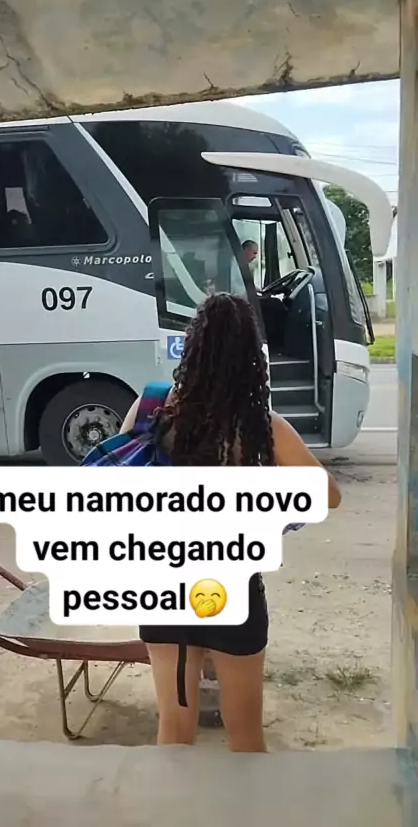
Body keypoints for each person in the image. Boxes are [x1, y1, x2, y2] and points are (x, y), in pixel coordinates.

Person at [119, 292, 341, 753]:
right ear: (250, 357)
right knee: (245, 736)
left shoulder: (150, 406)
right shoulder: (262, 425)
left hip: (162, 586)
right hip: (233, 589)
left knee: (174, 731)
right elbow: (329, 495)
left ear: (192, 347)